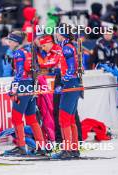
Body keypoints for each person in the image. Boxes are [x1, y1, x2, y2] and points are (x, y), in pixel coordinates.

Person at [5, 31, 45, 155]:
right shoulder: (29, 50)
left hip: (22, 85)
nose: (9, 44)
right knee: (31, 118)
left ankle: (21, 147)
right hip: (31, 85)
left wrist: (13, 89)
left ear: (16, 42)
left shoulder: (18, 52)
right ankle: (41, 146)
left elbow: (19, 73)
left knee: (16, 118)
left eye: (10, 41)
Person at [52, 24, 81, 159]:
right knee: (70, 119)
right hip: (74, 84)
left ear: (61, 34)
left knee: (63, 119)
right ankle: (74, 149)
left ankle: (67, 150)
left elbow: (71, 68)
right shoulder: (69, 47)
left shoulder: (67, 48)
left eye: (57, 33)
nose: (56, 36)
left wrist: (63, 82)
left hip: (70, 85)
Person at [90, 33, 118, 107]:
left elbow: (117, 58)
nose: (108, 35)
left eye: (109, 34)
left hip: (112, 66)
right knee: (107, 69)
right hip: (101, 66)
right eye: (106, 34)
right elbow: (95, 59)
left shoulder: (114, 45)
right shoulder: (98, 45)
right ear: (103, 35)